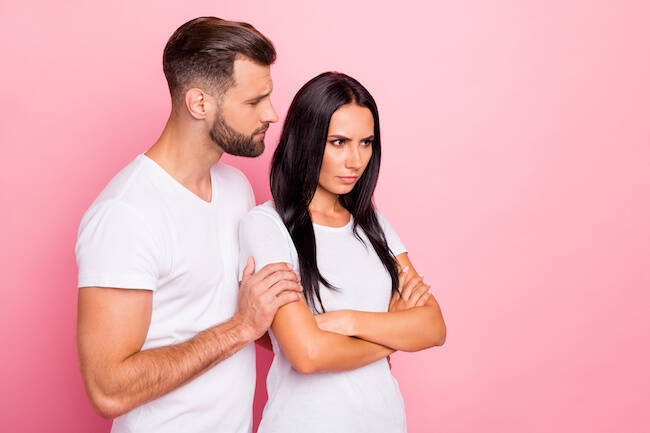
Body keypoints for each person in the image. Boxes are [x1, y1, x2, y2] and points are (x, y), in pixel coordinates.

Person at [75, 17, 302, 433]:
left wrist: (358, 340)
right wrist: (240, 328)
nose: (271, 114)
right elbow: (108, 391)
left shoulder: (235, 188)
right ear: (199, 104)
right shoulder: (125, 215)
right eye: (254, 101)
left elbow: (251, 316)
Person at [238, 72, 447, 433]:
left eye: (366, 143)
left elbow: (434, 327)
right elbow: (307, 354)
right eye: (338, 142)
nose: (356, 160)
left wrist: (346, 321)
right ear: (306, 139)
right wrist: (390, 339)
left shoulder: (374, 225)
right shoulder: (266, 226)